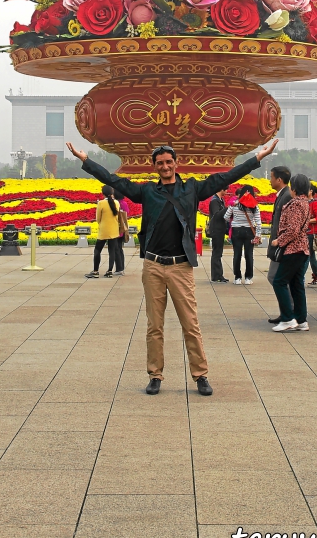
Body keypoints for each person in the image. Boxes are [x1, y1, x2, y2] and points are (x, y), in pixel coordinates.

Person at [66, 139, 278, 396]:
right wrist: (85, 161)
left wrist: (257, 159)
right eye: (160, 163)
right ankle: (155, 375)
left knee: (190, 323)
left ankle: (200, 375)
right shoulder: (147, 192)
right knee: (154, 325)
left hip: (180, 267)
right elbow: (114, 180)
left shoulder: (192, 189)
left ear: (176, 164)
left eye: (169, 162)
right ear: (155, 167)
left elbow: (225, 177)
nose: (165, 166)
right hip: (153, 266)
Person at [269, 173, 311, 331]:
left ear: (294, 187)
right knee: (296, 284)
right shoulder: (305, 203)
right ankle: (301, 320)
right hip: (303, 248)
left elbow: (293, 230)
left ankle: (288, 318)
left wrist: (279, 241)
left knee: (279, 281)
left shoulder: (295, 204)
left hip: (293, 249)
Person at [224, 185, 262, 285]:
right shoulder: (254, 206)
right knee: (249, 254)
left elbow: (226, 217)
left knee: (237, 254)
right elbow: (258, 222)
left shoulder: (234, 204)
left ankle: (237, 278)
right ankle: (248, 278)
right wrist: (257, 235)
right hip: (249, 231)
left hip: (236, 231)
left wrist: (235, 220)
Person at [85, 186, 119, 278]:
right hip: (114, 230)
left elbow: (98, 218)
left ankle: (95, 271)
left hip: (104, 230)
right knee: (111, 251)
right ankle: (109, 271)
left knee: (97, 250)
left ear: (103, 193)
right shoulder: (116, 202)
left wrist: (102, 223)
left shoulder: (101, 203)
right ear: (112, 193)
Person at [267, 166, 292, 286]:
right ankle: (288, 304)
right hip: (279, 244)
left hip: (281, 245)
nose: (269, 180)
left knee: (275, 278)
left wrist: (280, 241)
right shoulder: (282, 195)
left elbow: (287, 223)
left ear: (279, 180)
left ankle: (289, 304)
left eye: (271, 177)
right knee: (276, 278)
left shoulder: (287, 195)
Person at [209, 187, 229, 283]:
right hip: (216, 230)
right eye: (226, 190)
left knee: (218, 252)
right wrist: (227, 209)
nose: (227, 192)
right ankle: (216, 275)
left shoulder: (220, 200)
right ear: (222, 189)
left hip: (220, 230)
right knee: (216, 252)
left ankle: (218, 274)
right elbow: (217, 215)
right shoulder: (214, 201)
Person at [114, 190, 130, 275]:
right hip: (122, 229)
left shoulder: (116, 203)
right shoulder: (124, 203)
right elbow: (127, 214)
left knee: (116, 249)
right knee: (120, 249)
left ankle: (119, 269)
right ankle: (121, 268)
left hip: (117, 229)